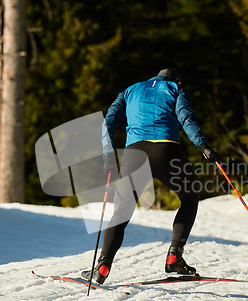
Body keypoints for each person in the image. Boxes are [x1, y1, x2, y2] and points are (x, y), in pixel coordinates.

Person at [82, 69, 223, 284]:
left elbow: (109, 122)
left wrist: (109, 157)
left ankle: (103, 265)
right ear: (176, 79)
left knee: (120, 213)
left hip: (135, 154)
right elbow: (186, 118)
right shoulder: (176, 88)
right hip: (168, 152)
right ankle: (174, 255)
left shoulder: (130, 90)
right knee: (190, 197)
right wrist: (203, 146)